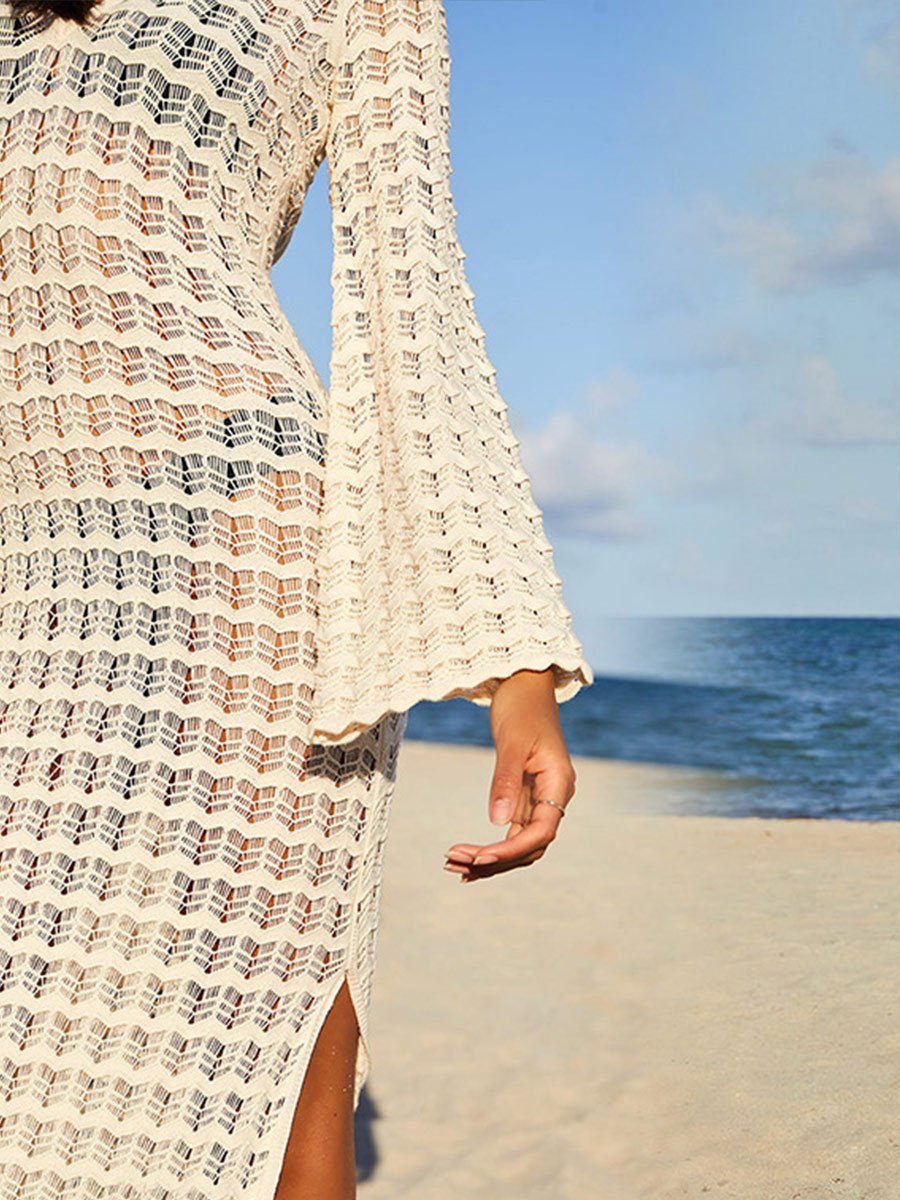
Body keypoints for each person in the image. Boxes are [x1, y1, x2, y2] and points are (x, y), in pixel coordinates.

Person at [0, 0, 593, 1197]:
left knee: (266, 1017)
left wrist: (517, 667)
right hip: (35, 566)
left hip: (246, 541)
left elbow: (411, 295)